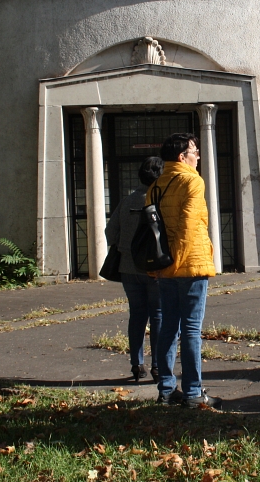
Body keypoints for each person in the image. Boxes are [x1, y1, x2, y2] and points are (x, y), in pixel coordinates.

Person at [150, 132, 221, 409]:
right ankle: (193, 393)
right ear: (182, 157)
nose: (198, 156)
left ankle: (166, 390)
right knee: (191, 329)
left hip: (165, 267)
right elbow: (189, 226)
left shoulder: (156, 185)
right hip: (189, 264)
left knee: (168, 326)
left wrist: (163, 265)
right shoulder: (192, 180)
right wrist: (177, 262)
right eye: (195, 151)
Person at [104, 156, 164, 383]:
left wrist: (125, 246)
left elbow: (110, 232)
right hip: (156, 269)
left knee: (137, 316)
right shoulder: (160, 202)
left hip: (128, 267)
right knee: (158, 316)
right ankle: (158, 365)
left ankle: (137, 364)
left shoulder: (127, 201)